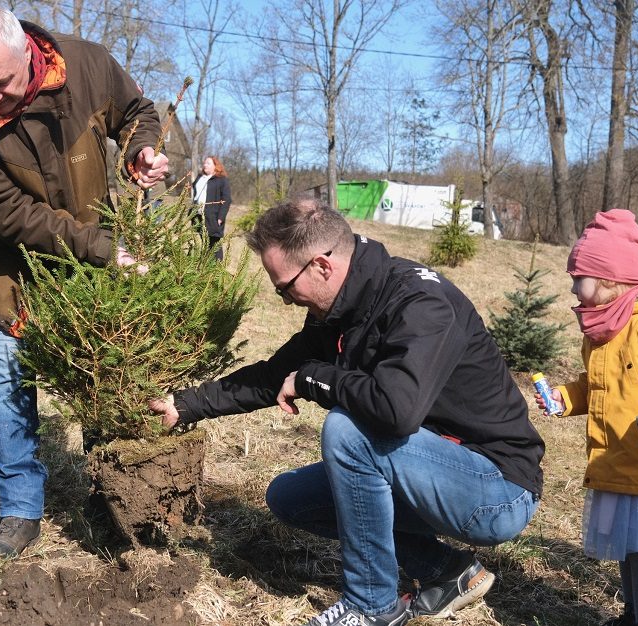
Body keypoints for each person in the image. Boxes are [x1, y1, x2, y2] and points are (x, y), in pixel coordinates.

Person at [150, 198, 544, 626]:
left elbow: (396, 411)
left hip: (496, 489)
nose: (284, 300)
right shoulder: (339, 309)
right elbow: (275, 375)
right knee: (292, 499)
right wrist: (186, 405)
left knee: (348, 431)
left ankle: (371, 605)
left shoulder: (420, 303)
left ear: (321, 265)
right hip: (427, 469)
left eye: (284, 287)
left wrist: (314, 379)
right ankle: (445, 570)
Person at [0, 2, 168, 557]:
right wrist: (101, 247)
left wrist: (140, 150)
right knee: (10, 376)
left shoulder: (85, 64)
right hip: (9, 259)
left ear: (25, 50)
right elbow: (1, 211)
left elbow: (136, 110)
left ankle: (111, 498)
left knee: (106, 368)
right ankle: (20, 509)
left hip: (97, 250)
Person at [534, 209, 638, 626]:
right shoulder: (599, 330)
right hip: (614, 456)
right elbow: (591, 383)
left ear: (611, 279)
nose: (574, 286)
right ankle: (632, 614)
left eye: (581, 278)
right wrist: (565, 397)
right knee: (627, 549)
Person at [191, 156, 232, 260]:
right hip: (198, 214)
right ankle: (205, 265)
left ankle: (216, 269)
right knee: (204, 241)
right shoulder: (200, 177)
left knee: (215, 244)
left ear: (215, 166)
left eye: (208, 163)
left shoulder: (221, 180)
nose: (205, 165)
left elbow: (226, 199)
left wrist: (221, 217)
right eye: (204, 163)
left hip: (213, 217)